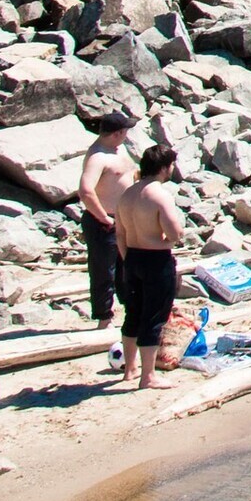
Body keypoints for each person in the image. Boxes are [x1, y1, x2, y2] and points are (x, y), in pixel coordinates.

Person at [113, 143, 186, 391]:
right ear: (164, 168)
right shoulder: (159, 195)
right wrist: (167, 238)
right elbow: (174, 233)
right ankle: (148, 376)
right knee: (154, 317)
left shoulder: (127, 195)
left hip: (131, 258)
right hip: (155, 259)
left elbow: (120, 233)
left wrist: (127, 258)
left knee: (132, 313)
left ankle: (130, 369)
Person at [78, 113, 135, 333]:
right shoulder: (98, 157)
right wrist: (104, 217)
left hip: (124, 218)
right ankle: (104, 317)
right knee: (104, 270)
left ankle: (129, 307)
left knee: (126, 266)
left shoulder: (118, 149)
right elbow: (85, 190)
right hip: (104, 221)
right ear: (117, 133)